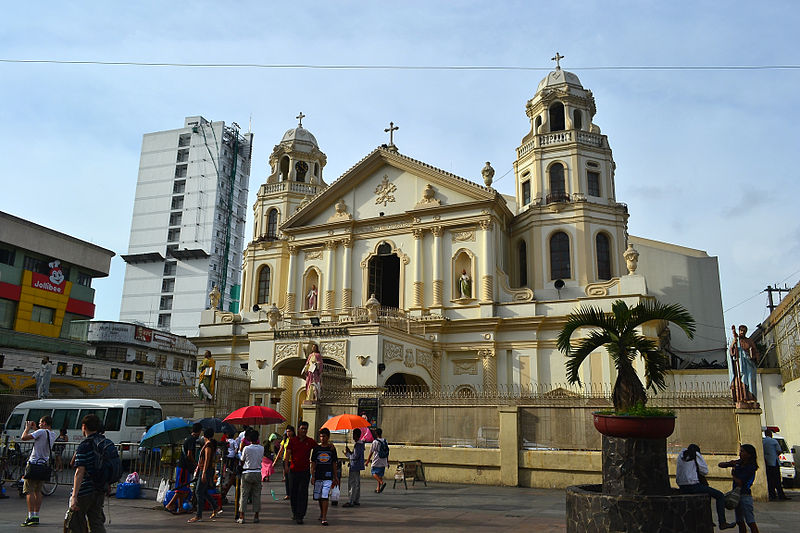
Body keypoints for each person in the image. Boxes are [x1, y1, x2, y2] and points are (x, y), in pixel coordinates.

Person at [676, 443, 734, 530]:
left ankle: (708, 519)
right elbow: (704, 471)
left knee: (706, 493)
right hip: (693, 485)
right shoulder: (696, 455)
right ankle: (722, 522)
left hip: (682, 486)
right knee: (720, 496)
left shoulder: (681, 455)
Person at [65, 414, 107, 533]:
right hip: (100, 489)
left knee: (76, 524)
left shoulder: (85, 446)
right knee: (96, 522)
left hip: (85, 490)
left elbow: (79, 472)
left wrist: (74, 496)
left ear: (84, 426)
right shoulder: (105, 442)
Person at [20, 415, 56, 527]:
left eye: (40, 423)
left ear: (45, 423)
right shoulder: (53, 434)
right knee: (38, 491)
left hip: (34, 464)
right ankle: (36, 515)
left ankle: (30, 516)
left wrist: (27, 428)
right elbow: (41, 436)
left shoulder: (41, 432)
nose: (39, 424)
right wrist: (36, 429)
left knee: (29, 490)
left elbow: (24, 438)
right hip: (43, 465)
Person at [719, 444, 760, 533]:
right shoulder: (739, 463)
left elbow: (740, 482)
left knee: (750, 520)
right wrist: (729, 463)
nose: (740, 453)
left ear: (749, 454)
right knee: (739, 520)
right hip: (737, 495)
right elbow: (721, 464)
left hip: (745, 495)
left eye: (743, 451)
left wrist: (733, 473)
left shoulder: (750, 467)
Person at [188, 428, 222, 523]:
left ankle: (198, 515)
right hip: (204, 470)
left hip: (205, 470)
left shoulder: (208, 446)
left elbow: (207, 459)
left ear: (205, 436)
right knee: (204, 491)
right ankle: (215, 507)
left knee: (199, 491)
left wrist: (203, 473)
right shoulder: (208, 445)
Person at [285, 421, 316, 524]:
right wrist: (286, 466)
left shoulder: (310, 441)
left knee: (303, 493)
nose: (304, 431)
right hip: (293, 471)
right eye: (302, 428)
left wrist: (329, 446)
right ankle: (295, 513)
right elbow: (288, 454)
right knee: (293, 492)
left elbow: (318, 448)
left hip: (305, 471)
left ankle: (300, 515)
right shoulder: (292, 441)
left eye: (305, 429)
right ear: (298, 429)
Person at [311, 428, 339, 526]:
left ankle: (324, 517)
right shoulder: (316, 449)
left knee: (325, 495)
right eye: (321, 436)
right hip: (318, 476)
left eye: (324, 436)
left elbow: (334, 463)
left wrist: (335, 476)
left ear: (328, 437)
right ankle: (322, 512)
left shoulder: (331, 449)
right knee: (319, 497)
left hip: (328, 476)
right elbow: (313, 463)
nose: (322, 438)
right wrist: (312, 475)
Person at [239, 429, 264, 524]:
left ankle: (242, 516)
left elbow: (242, 460)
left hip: (247, 472)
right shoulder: (262, 448)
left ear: (249, 438)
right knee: (257, 495)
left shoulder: (247, 448)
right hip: (257, 472)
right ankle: (256, 516)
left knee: (244, 495)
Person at [729, 325, 759, 401]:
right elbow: (731, 351)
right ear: (739, 331)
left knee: (750, 379)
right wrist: (733, 344)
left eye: (744, 331)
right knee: (743, 379)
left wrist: (753, 355)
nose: (742, 332)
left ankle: (752, 397)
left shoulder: (749, 341)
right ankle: (744, 397)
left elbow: (756, 352)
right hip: (740, 363)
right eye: (741, 331)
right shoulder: (736, 340)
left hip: (749, 363)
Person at [762, 429, 790, 501]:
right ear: (770, 434)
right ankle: (781, 495)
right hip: (774, 462)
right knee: (777, 480)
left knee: (770, 479)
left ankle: (772, 494)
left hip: (767, 463)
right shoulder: (773, 441)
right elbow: (779, 450)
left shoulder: (763, 441)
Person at [342, 427, 365, 508]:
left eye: (353, 435)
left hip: (354, 466)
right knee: (357, 483)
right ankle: (356, 499)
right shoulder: (361, 444)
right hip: (357, 466)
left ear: (356, 435)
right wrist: (350, 451)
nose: (352, 437)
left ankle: (351, 500)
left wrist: (347, 454)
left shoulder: (358, 445)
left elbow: (354, 456)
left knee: (352, 483)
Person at [366, 427, 388, 493]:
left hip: (377, 460)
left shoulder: (375, 442)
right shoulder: (385, 441)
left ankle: (381, 482)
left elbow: (371, 452)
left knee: (373, 473)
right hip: (383, 460)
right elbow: (387, 452)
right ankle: (378, 489)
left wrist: (367, 461)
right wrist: (387, 461)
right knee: (380, 475)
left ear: (376, 434)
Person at [276, 425, 295, 500]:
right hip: (285, 460)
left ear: (293, 432)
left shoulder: (295, 440)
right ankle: (288, 494)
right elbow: (280, 451)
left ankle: (293, 493)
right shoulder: (285, 440)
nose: (288, 433)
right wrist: (275, 461)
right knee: (287, 478)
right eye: (287, 431)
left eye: (289, 431)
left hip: (293, 461)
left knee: (292, 478)